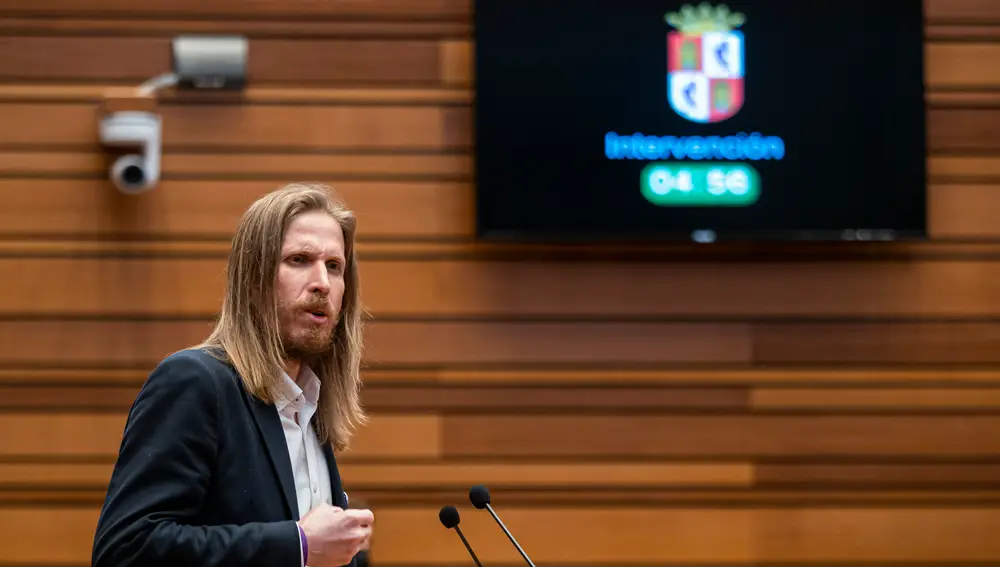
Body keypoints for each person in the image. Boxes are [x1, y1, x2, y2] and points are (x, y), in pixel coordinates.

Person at [92, 182, 373, 567]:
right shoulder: (195, 382)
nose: (322, 283)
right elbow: (125, 550)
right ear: (253, 279)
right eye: (298, 260)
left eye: (334, 266)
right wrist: (298, 544)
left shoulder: (308, 406)